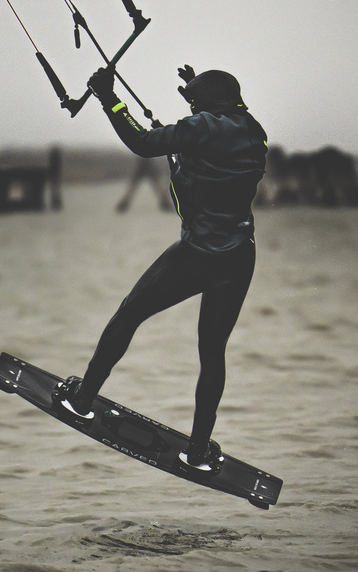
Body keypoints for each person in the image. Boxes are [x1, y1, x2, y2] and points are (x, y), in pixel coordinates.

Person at [56, 64, 267, 471]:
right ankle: (199, 449)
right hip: (240, 255)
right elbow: (214, 125)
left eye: (193, 101)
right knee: (212, 351)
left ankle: (82, 400)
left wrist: (107, 97)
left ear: (205, 103)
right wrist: (195, 95)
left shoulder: (201, 127)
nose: (189, 107)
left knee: (128, 314)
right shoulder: (252, 129)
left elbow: (141, 140)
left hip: (200, 255)